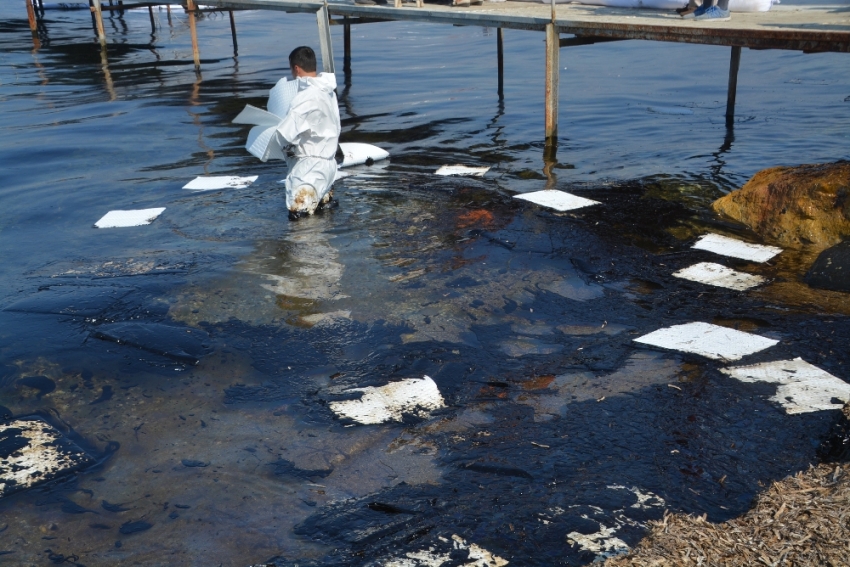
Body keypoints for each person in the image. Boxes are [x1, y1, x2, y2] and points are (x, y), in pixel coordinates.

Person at [276, 46, 342, 219]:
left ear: (296, 68)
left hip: (309, 170)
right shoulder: (328, 92)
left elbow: (286, 134)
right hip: (328, 167)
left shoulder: (305, 96)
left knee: (300, 224)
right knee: (324, 216)